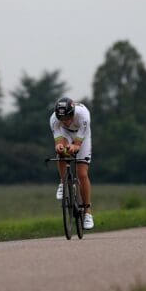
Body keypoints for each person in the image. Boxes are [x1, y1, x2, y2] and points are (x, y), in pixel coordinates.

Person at [50, 97, 94, 230]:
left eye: (68, 118)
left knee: (82, 174)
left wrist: (74, 147)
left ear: (73, 112)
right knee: (61, 152)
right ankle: (63, 182)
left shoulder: (84, 115)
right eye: (62, 119)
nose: (66, 122)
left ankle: (87, 212)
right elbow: (58, 141)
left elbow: (78, 145)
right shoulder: (54, 120)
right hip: (65, 134)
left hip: (82, 136)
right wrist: (59, 147)